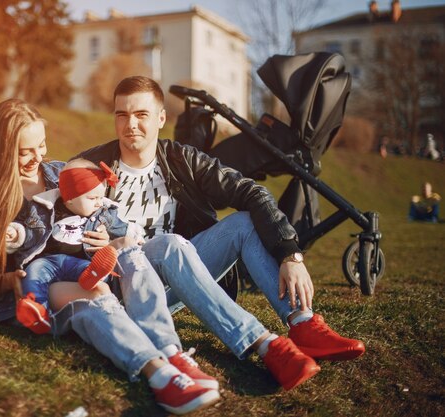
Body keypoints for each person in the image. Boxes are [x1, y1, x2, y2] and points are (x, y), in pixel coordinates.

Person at [75, 76, 366, 390]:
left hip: (175, 278)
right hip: (124, 288)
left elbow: (251, 192)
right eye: (122, 114)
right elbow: (53, 220)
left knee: (241, 223)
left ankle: (302, 323)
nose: (130, 124)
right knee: (171, 244)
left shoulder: (181, 160)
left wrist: (290, 254)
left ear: (161, 118)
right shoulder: (90, 165)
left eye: (140, 114)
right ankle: (266, 346)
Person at [0, 99, 220, 415]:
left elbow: (97, 210)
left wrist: (104, 236)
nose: (38, 157)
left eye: (42, 146)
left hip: (80, 269)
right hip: (34, 293)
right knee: (96, 294)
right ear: (3, 152)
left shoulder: (58, 173)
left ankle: (172, 354)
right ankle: (159, 375)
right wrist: (4, 282)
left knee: (131, 256)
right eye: (25, 152)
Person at [6, 158, 141, 333]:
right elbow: (29, 230)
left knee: (95, 269)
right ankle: (37, 310)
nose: (99, 202)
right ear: (69, 199)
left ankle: (95, 275)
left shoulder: (103, 214)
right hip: (48, 261)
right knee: (33, 273)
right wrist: (15, 233)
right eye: (93, 198)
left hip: (79, 263)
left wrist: (135, 236)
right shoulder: (45, 209)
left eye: (101, 197)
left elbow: (123, 227)